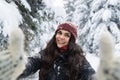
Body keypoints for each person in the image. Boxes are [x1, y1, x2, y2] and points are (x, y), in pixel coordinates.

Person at [18, 22, 95, 80]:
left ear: (71, 40)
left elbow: (90, 75)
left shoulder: (79, 59)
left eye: (66, 35)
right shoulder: (46, 53)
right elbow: (32, 62)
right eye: (59, 33)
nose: (61, 37)